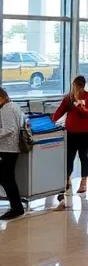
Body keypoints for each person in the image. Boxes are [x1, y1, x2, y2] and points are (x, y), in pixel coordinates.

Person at [52, 75, 88, 196]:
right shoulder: (69, 98)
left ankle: (84, 181)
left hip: (84, 132)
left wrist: (82, 108)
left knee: (83, 156)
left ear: (82, 86)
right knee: (69, 157)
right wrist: (51, 122)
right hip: (71, 132)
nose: (75, 89)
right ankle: (67, 178)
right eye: (74, 86)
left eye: (78, 86)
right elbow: (60, 111)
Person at [0, 87, 27, 220]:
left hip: (8, 148)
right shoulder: (14, 106)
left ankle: (16, 208)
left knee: (7, 179)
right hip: (12, 147)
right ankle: (16, 205)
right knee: (6, 178)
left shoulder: (6, 109)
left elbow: (9, 129)